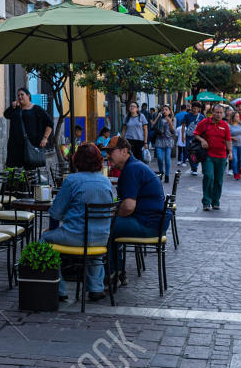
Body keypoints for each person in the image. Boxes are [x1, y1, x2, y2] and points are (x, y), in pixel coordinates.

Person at [41, 143, 115, 305]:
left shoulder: (72, 180)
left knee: (44, 239)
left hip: (75, 236)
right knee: (94, 252)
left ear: (76, 160)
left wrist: (53, 229)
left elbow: (56, 212)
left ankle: (58, 288)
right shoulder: (106, 182)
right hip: (102, 239)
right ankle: (95, 287)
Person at [106, 138, 168, 281]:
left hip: (148, 224)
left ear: (124, 151)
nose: (108, 155)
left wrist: (112, 213)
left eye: (111, 151)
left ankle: (110, 273)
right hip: (154, 222)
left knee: (103, 226)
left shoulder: (131, 169)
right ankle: (116, 270)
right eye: (107, 152)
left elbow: (128, 207)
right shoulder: (133, 166)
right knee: (110, 224)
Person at [3, 87, 53, 170]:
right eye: (18, 95)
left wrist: (45, 138)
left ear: (28, 96)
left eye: (22, 94)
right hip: (15, 147)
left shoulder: (36, 109)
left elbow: (50, 123)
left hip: (30, 146)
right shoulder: (16, 109)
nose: (20, 97)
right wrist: (12, 106)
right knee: (15, 172)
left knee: (30, 172)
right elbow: (6, 115)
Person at [194, 103, 232, 210]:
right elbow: (196, 133)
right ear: (212, 112)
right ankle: (206, 201)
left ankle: (216, 201)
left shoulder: (225, 125)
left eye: (220, 113)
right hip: (208, 155)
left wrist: (231, 153)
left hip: (221, 156)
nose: (218, 114)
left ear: (223, 113)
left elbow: (228, 140)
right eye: (216, 112)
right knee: (209, 176)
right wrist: (202, 140)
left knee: (218, 180)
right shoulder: (204, 122)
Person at [149, 104, 176, 183]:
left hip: (168, 141)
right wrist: (158, 116)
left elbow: (173, 131)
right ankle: (161, 172)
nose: (164, 111)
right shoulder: (159, 118)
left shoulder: (173, 119)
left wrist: (170, 122)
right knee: (160, 158)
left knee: (167, 158)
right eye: (163, 110)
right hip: (159, 140)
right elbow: (152, 125)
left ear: (170, 111)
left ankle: (167, 175)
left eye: (166, 110)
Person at [227, 109, 241, 179]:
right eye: (236, 116)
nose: (238, 118)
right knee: (235, 159)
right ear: (232, 117)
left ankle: (238, 171)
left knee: (240, 160)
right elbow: (225, 136)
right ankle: (235, 173)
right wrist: (232, 137)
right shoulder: (228, 125)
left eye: (238, 116)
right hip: (232, 144)